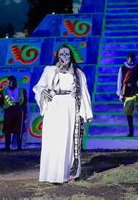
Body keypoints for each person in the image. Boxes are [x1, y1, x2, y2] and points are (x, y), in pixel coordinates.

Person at [33, 45, 93, 183]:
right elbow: (39, 87)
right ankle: (52, 174)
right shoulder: (50, 70)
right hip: (54, 107)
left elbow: (84, 92)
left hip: (70, 108)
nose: (64, 56)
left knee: (68, 140)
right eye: (61, 54)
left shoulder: (78, 73)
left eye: (67, 54)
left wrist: (86, 112)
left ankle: (69, 173)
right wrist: (43, 92)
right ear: (57, 56)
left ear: (71, 55)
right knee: (53, 140)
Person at [116, 52, 138, 138]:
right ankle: (131, 131)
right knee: (128, 112)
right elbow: (119, 81)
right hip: (127, 92)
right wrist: (120, 94)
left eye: (133, 59)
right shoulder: (122, 68)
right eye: (130, 59)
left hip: (137, 90)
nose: (132, 61)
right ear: (127, 59)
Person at [0, 75, 27, 151]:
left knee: (19, 130)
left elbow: (25, 103)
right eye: (9, 81)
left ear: (15, 82)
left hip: (18, 111)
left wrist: (24, 113)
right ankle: (7, 147)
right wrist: (5, 108)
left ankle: (19, 147)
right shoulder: (3, 91)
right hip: (8, 112)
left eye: (12, 81)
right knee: (7, 129)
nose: (10, 82)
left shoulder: (22, 90)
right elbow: (1, 102)